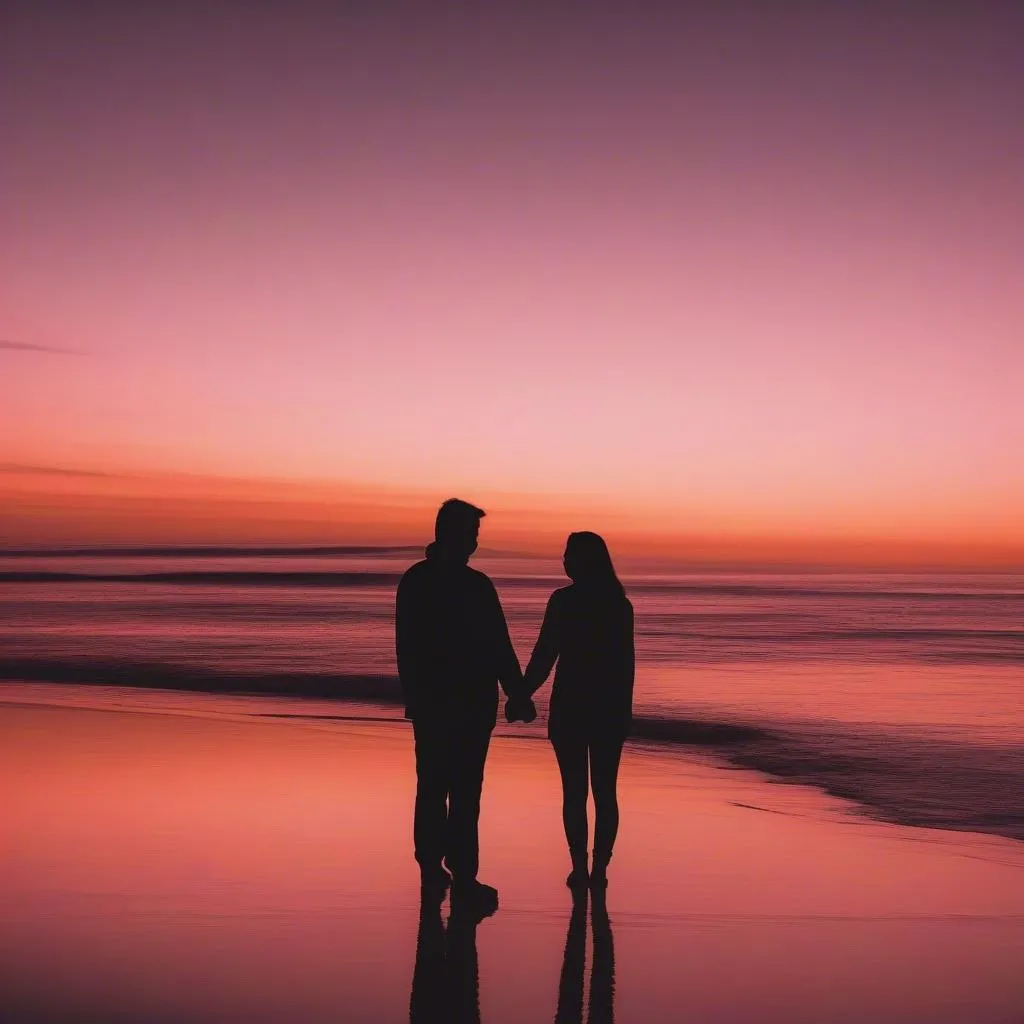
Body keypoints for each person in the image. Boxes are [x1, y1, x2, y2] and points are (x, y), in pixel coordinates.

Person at [395, 498, 527, 906]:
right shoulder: (470, 585)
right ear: (452, 534)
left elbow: (408, 649)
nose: (475, 542)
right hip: (461, 703)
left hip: (442, 703)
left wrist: (516, 691)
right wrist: (516, 692)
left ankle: (436, 871)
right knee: (461, 791)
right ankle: (458, 876)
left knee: (436, 787)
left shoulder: (419, 580)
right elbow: (498, 645)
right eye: (471, 533)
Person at [514, 532, 634, 890]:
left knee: (575, 792)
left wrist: (521, 694)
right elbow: (625, 666)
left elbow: (544, 655)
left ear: (583, 560)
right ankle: (600, 870)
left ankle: (580, 866)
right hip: (609, 710)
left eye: (568, 555)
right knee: (604, 791)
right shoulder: (618, 604)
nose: (563, 560)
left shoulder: (565, 601)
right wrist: (623, 713)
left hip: (571, 707)